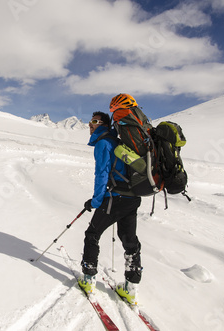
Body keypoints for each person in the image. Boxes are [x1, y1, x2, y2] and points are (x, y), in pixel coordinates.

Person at [79, 110, 142, 304]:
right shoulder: (118, 142)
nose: (91, 124)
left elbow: (102, 175)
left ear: (104, 125)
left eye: (95, 121)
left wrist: (96, 201)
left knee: (92, 234)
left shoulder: (103, 143)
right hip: (132, 198)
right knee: (130, 241)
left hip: (116, 199)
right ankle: (130, 288)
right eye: (90, 121)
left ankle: (89, 280)